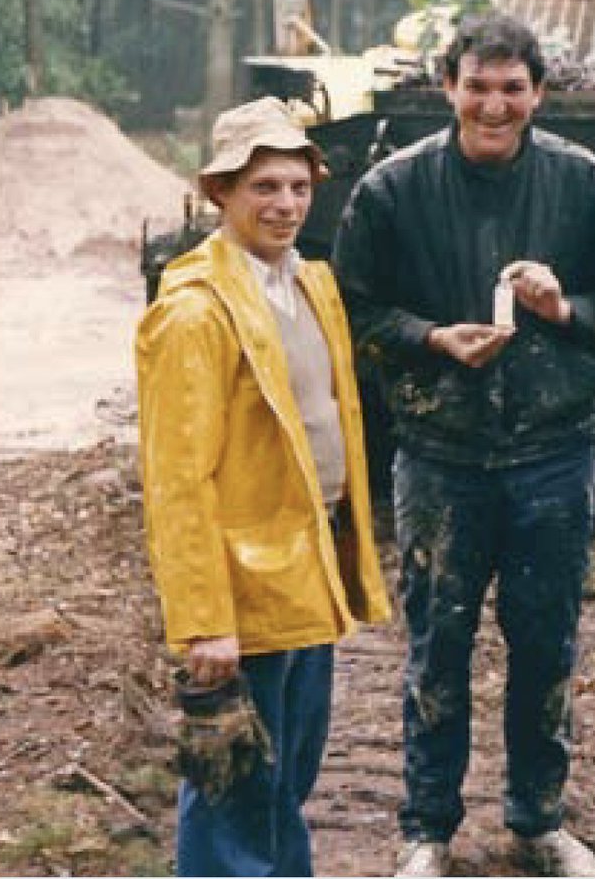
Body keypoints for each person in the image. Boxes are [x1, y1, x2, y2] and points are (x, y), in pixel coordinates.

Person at [333, 12, 595, 878]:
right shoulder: (392, 192)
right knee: (438, 644)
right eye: (477, 85)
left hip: (553, 452)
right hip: (441, 453)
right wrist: (433, 339)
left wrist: (562, 310)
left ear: (538, 93)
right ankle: (427, 831)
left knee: (546, 642)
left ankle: (537, 820)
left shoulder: (588, 187)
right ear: (448, 87)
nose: (495, 104)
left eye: (513, 88)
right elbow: (353, 311)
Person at [136, 96, 391, 877]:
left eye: (298, 187)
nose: (285, 205)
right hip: (241, 586)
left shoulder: (311, 285)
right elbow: (177, 479)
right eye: (263, 188)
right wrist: (204, 620)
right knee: (236, 783)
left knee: (286, 776)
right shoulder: (194, 311)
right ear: (220, 193)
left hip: (304, 567)